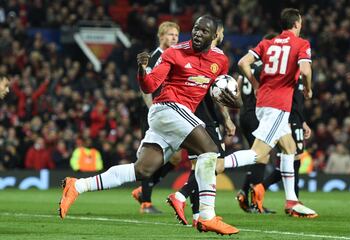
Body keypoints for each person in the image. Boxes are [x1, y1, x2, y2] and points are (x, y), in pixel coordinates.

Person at [58, 15, 239, 235]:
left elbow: (221, 91)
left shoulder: (220, 60)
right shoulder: (175, 53)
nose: (197, 34)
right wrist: (143, 71)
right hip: (167, 109)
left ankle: (77, 186)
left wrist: (235, 105)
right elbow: (150, 85)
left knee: (142, 170)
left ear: (214, 36)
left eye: (203, 31)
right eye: (195, 29)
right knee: (210, 151)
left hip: (176, 118)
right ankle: (207, 217)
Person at [218, 8, 317, 217]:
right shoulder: (301, 44)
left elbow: (243, 62)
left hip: (264, 103)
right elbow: (306, 71)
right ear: (297, 24)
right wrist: (308, 88)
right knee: (258, 154)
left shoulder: (268, 43)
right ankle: (217, 163)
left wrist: (255, 83)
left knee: (289, 149)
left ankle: (292, 202)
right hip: (278, 105)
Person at [166, 20, 236, 227]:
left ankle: (198, 215)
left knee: (202, 164)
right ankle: (181, 196)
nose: (221, 35)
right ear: (217, 33)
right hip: (203, 115)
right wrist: (227, 118)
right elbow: (219, 95)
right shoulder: (216, 57)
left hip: (190, 114)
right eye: (220, 32)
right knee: (215, 163)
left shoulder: (212, 56)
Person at [131, 21, 181, 214]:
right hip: (153, 113)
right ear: (161, 37)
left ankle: (143, 190)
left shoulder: (174, 56)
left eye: (176, 35)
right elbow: (145, 87)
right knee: (151, 156)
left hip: (169, 113)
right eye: (170, 35)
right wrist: (152, 108)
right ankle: (146, 202)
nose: (174, 38)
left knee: (175, 157)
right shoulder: (154, 57)